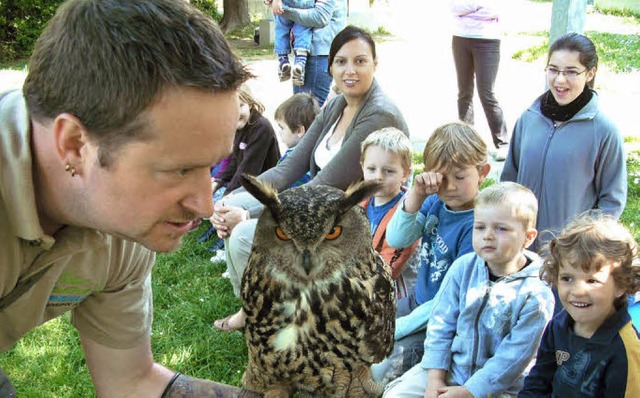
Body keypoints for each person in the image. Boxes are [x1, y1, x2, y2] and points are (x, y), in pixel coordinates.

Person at [0, 0, 259, 396]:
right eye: (179, 169)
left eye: (211, 167)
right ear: (73, 145)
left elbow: (130, 382)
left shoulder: (123, 223)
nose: (206, 206)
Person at [211, 25, 409, 332]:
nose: (350, 70)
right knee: (231, 206)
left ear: (375, 64)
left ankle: (268, 317)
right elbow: (288, 169)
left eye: (360, 61)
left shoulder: (378, 114)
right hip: (315, 214)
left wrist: (249, 214)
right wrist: (234, 198)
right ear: (329, 66)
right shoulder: (337, 104)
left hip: (348, 226)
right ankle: (260, 310)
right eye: (341, 62)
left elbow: (322, 188)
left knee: (243, 234)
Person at [383, 182, 555, 397]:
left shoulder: (535, 294)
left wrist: (469, 391)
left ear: (528, 237)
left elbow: (514, 358)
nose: (488, 236)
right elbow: (440, 325)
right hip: (452, 369)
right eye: (480, 227)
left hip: (500, 386)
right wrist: (435, 378)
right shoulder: (463, 268)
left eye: (501, 228)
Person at [371, 121, 491, 385]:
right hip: (417, 301)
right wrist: (417, 194)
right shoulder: (435, 200)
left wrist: (396, 329)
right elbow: (397, 238)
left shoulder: (480, 225)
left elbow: (451, 301)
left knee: (378, 368)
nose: (449, 186)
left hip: (441, 324)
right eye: (441, 177)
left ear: (483, 172)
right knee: (358, 327)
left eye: (459, 177)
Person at [501, 32, 627, 252]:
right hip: (519, 250)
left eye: (571, 72)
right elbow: (509, 180)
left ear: (590, 73)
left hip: (569, 255)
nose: (560, 80)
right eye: (553, 70)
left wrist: (580, 243)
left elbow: (611, 202)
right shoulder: (528, 119)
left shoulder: (604, 130)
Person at [520, 212, 640, 397]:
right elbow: (539, 380)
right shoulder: (559, 325)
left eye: (592, 281)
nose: (577, 291)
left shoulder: (626, 350)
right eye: (567, 278)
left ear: (621, 285)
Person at [359, 127, 420, 316]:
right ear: (362, 167)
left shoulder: (408, 212)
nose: (378, 176)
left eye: (388, 171)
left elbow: (388, 268)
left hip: (395, 297)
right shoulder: (361, 204)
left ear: (406, 173)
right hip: (361, 284)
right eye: (371, 169)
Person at [450, 0, 510, 161]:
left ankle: (502, 144)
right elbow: (454, 7)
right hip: (460, 38)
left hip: (487, 40)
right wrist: (478, 6)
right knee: (464, 92)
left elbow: (495, 8)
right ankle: (466, 141)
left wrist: (468, 7)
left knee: (486, 93)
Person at [270, 0, 347, 106]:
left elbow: (320, 17)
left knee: (308, 112)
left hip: (318, 55)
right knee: (301, 109)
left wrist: (282, 9)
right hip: (312, 54)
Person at [211, 84, 281, 201]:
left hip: (263, 188)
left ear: (250, 104)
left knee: (216, 206)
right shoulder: (240, 126)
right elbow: (235, 161)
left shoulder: (261, 128)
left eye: (241, 106)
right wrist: (218, 181)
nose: (236, 113)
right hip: (244, 183)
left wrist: (227, 196)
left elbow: (248, 170)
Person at [273, 92, 320, 187]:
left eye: (282, 128)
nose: (280, 132)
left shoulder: (293, 162)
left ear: (299, 130)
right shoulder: (317, 152)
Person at [270, 0, 314, 85]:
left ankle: (283, 61)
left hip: (285, 3)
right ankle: (300, 63)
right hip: (306, 3)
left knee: (281, 30)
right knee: (303, 30)